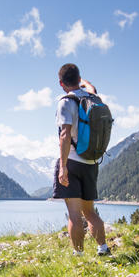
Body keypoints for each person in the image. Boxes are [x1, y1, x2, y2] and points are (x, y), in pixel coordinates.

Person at [53, 63, 110, 256]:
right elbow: (91, 87)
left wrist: (63, 167)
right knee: (90, 212)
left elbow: (65, 135)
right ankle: (103, 249)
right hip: (92, 162)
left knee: (75, 215)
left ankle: (79, 256)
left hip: (73, 161)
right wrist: (83, 82)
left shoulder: (66, 102)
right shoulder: (93, 97)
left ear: (61, 83)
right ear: (79, 80)